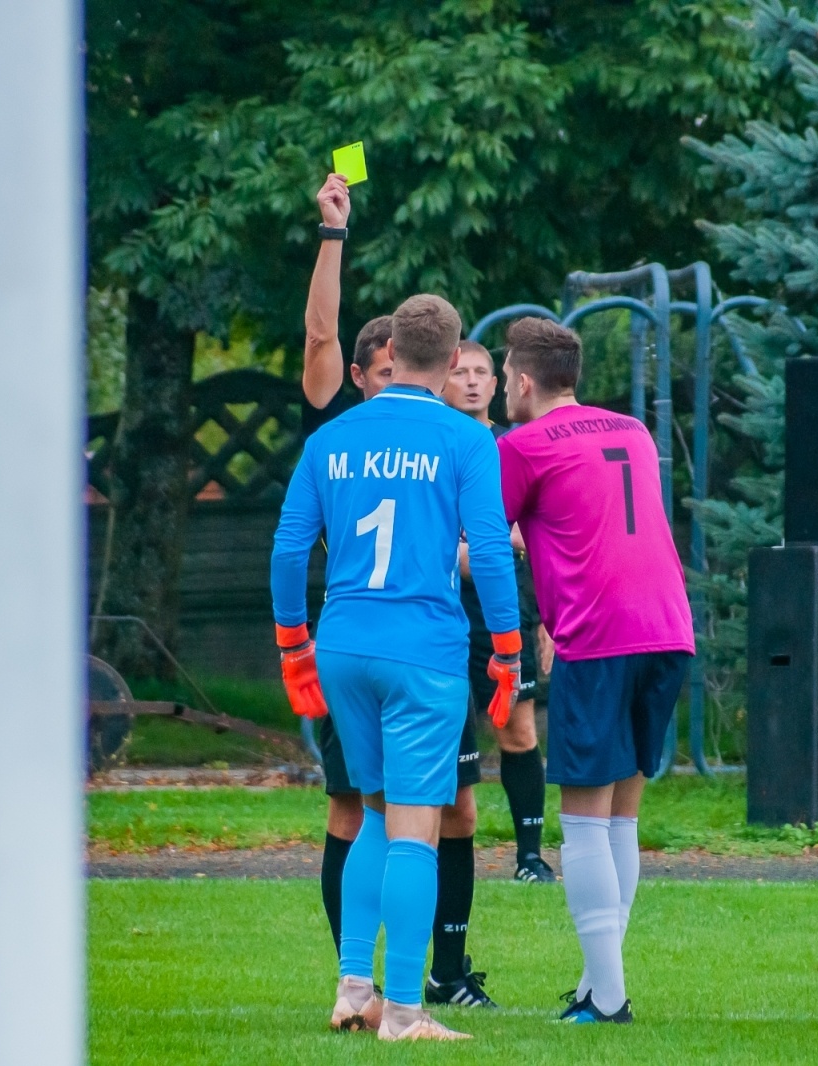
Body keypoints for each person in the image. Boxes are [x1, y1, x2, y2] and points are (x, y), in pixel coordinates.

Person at [273, 294, 523, 1041]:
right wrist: (507, 651)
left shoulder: (332, 438)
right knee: (420, 827)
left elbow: (289, 550)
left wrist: (293, 645)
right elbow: (491, 550)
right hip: (424, 652)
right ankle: (407, 1012)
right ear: (451, 364)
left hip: (343, 644)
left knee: (377, 813)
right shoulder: (465, 441)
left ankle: (355, 988)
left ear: (392, 355)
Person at [295, 175, 498, 1009]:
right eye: (372, 372)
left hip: (392, 638)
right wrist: (333, 234)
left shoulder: (442, 433)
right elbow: (317, 333)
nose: (389, 382)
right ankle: (376, 984)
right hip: (390, 640)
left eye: (395, 368)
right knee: (362, 814)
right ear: (358, 375)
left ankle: (418, 979)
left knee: (437, 813)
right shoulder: (340, 426)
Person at [496, 317, 695, 1024]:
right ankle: (595, 983)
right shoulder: (631, 431)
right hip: (668, 626)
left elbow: (493, 537)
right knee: (621, 817)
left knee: (582, 820)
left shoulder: (520, 444)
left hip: (601, 633)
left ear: (522, 380)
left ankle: (608, 1000)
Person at [441, 340, 556, 886]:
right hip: (439, 616)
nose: (469, 381)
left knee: (517, 729)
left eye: (481, 372)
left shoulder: (514, 450)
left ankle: (530, 856)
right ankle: (439, 844)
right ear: (439, 378)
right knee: (445, 731)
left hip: (503, 614)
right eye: (458, 371)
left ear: (496, 384)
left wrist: (546, 620)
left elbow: (537, 541)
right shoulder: (431, 448)